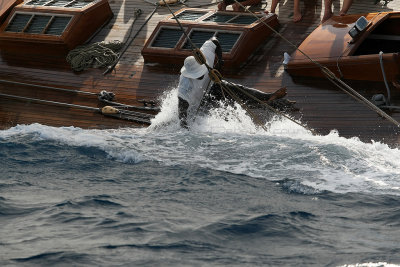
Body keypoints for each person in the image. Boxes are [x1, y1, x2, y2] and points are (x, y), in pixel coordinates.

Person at [177, 37, 292, 128]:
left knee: (235, 89)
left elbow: (214, 41)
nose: (201, 76)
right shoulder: (185, 88)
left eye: (201, 73)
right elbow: (182, 117)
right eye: (198, 76)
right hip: (201, 103)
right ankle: (269, 104)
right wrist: (188, 133)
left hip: (213, 86)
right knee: (231, 106)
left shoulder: (205, 56)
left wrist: (220, 62)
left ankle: (267, 97)